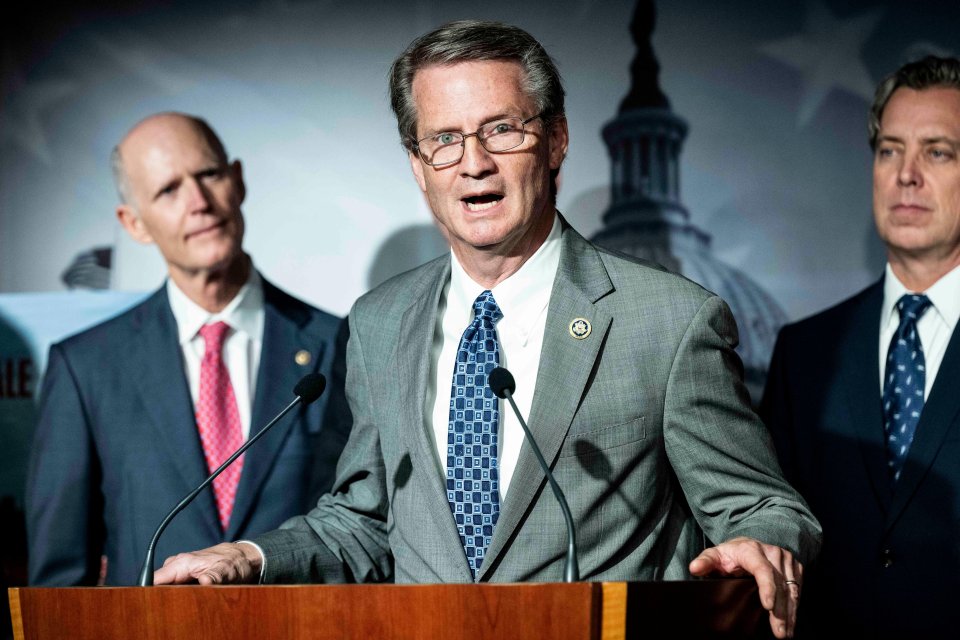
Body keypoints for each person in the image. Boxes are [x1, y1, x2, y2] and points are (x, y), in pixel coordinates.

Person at [156, 22, 820, 639]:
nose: (474, 162)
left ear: (556, 139)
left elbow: (760, 505)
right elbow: (362, 522)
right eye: (444, 140)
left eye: (502, 129)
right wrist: (249, 556)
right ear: (418, 167)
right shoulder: (378, 324)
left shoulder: (671, 322)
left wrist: (761, 539)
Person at [25, 112, 352, 586]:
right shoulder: (85, 367)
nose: (198, 202)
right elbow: (59, 583)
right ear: (133, 223)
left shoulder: (338, 344)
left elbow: (359, 531)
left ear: (237, 182)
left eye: (209, 175)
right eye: (169, 190)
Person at [761, 55, 960, 638]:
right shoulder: (805, 353)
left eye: (938, 152)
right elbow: (777, 530)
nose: (907, 174)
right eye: (890, 150)